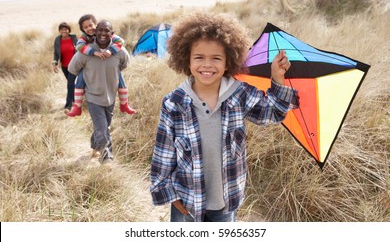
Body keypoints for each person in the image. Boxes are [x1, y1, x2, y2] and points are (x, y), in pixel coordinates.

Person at [149, 11, 299, 222]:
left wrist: (277, 77)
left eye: (216, 58)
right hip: (187, 199)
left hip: (226, 199)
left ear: (228, 62)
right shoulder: (173, 103)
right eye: (199, 57)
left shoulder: (240, 93)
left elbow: (272, 113)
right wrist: (169, 193)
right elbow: (164, 152)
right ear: (186, 59)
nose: (207, 65)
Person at [68, 20, 130, 164]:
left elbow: (124, 65)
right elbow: (72, 68)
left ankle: (95, 146)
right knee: (102, 130)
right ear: (95, 32)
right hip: (93, 97)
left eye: (106, 30)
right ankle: (106, 158)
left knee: (104, 126)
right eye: (100, 30)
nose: (103, 33)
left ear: (111, 33)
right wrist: (85, 78)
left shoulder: (120, 51)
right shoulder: (86, 51)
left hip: (111, 96)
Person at [66, 14, 136, 117]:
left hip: (110, 66)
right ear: (83, 30)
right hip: (88, 65)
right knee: (80, 79)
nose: (89, 29)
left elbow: (120, 41)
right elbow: (79, 46)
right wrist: (93, 52)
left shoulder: (104, 32)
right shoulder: (84, 38)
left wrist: (111, 51)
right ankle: (77, 106)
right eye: (85, 27)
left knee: (120, 80)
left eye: (90, 25)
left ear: (96, 24)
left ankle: (124, 104)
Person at [52, 22, 78, 112]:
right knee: (71, 84)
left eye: (66, 29)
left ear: (69, 30)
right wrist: (55, 64)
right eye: (62, 29)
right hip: (64, 66)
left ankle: (68, 105)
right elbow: (55, 53)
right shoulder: (57, 40)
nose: (64, 31)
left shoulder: (74, 37)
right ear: (59, 31)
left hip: (74, 65)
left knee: (70, 84)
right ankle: (76, 101)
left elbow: (79, 49)